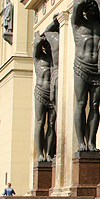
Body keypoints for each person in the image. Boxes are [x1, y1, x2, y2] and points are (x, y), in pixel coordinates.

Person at [71, 0, 100, 152]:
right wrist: (82, 0)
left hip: (96, 68)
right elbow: (76, 5)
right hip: (81, 67)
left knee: (94, 105)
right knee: (81, 103)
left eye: (94, 5)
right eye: (89, 6)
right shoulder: (77, 24)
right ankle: (81, 143)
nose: (92, 8)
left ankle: (91, 141)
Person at [33, 32, 56, 161]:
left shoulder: (54, 61)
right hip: (40, 92)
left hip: (52, 94)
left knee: (52, 124)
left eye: (49, 45)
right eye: (45, 45)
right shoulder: (38, 59)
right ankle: (40, 154)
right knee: (40, 122)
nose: (48, 47)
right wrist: (41, 37)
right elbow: (36, 45)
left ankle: (48, 153)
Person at [43, 15, 60, 113]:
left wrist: (54, 22)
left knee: (56, 108)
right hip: (58, 75)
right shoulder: (56, 40)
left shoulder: (55, 40)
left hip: (57, 75)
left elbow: (47, 31)